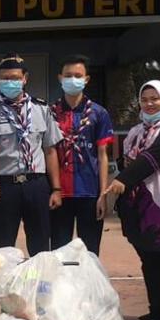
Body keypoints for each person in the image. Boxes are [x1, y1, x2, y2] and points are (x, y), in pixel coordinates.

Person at [103, 80, 160, 320]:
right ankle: (157, 310)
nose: (150, 103)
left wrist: (123, 179)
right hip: (139, 204)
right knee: (148, 259)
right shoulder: (138, 131)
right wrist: (125, 165)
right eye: (145, 99)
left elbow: (152, 158)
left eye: (155, 98)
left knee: (158, 259)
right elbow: (127, 159)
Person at [0, 56, 63, 255]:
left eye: (15, 78)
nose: (10, 82)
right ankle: (4, 285)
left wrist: (56, 188)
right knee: (2, 246)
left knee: (40, 245)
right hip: (6, 185)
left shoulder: (42, 109)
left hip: (37, 184)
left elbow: (50, 150)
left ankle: (38, 284)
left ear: (25, 79)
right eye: (5, 78)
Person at [50, 55, 114, 255]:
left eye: (78, 75)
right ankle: (62, 287)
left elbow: (103, 156)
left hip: (89, 192)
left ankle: (90, 286)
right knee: (59, 252)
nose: (72, 79)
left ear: (86, 79)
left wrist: (103, 195)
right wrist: (53, 189)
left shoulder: (99, 113)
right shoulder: (50, 113)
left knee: (90, 252)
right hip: (60, 193)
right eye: (68, 75)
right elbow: (48, 152)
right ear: (60, 78)